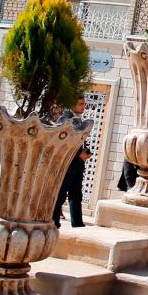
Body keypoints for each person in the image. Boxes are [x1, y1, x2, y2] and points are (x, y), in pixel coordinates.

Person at [52, 95, 94, 229]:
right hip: (67, 165)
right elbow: (62, 141)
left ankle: (77, 223)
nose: (84, 106)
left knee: (76, 194)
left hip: (77, 165)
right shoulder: (65, 119)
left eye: (84, 103)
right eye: (81, 103)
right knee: (60, 194)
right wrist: (78, 154)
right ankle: (54, 221)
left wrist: (84, 151)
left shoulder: (77, 118)